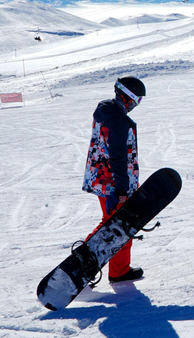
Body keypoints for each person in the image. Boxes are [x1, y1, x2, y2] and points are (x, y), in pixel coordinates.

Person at [82, 76, 146, 283]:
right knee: (120, 225)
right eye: (137, 100)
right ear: (128, 97)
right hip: (112, 182)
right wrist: (121, 189)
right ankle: (90, 263)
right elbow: (118, 156)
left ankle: (112, 268)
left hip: (101, 177)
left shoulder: (106, 111)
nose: (137, 105)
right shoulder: (118, 120)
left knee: (113, 223)